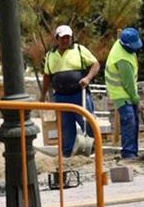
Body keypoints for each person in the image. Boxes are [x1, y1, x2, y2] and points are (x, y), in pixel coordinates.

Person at [41, 25, 100, 157]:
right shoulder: (50, 55)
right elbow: (47, 77)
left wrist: (87, 78)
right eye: (62, 38)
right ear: (57, 39)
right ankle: (68, 154)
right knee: (65, 128)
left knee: (88, 123)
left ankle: (94, 150)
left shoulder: (79, 50)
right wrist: (43, 95)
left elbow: (95, 64)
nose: (66, 40)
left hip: (79, 95)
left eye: (68, 37)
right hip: (61, 97)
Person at [105, 28, 143, 160]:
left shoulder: (123, 46)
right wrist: (135, 98)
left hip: (126, 90)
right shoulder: (122, 59)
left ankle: (134, 151)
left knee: (134, 120)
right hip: (121, 93)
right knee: (129, 121)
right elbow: (128, 82)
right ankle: (128, 153)